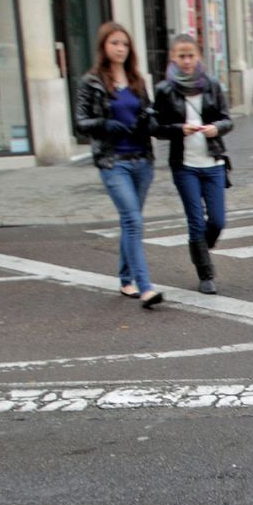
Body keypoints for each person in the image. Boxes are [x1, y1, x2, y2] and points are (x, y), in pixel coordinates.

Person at [74, 22, 162, 309]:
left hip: (142, 161)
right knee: (134, 221)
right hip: (114, 162)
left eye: (124, 43)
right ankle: (145, 287)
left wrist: (148, 120)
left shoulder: (137, 79)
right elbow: (80, 122)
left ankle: (125, 278)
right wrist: (105, 124)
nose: (120, 48)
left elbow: (149, 112)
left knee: (130, 221)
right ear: (104, 47)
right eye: (114, 43)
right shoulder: (92, 81)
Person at [153, 34, 232, 295]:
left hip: (213, 162)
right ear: (173, 58)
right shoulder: (165, 90)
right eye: (181, 56)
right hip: (184, 164)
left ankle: (200, 248)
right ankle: (205, 273)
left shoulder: (211, 84)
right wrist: (179, 129)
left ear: (199, 57)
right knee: (196, 220)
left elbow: (226, 119)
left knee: (218, 221)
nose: (186, 61)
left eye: (190, 55)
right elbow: (156, 128)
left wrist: (216, 128)